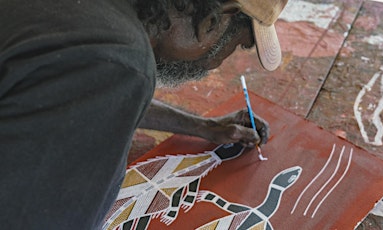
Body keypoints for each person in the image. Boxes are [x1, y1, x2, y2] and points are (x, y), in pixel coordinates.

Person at [0, 0, 288, 228]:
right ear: (212, 21)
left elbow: (84, 94)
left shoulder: (100, 25)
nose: (222, 62)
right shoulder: (117, 59)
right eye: (237, 44)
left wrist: (204, 127)